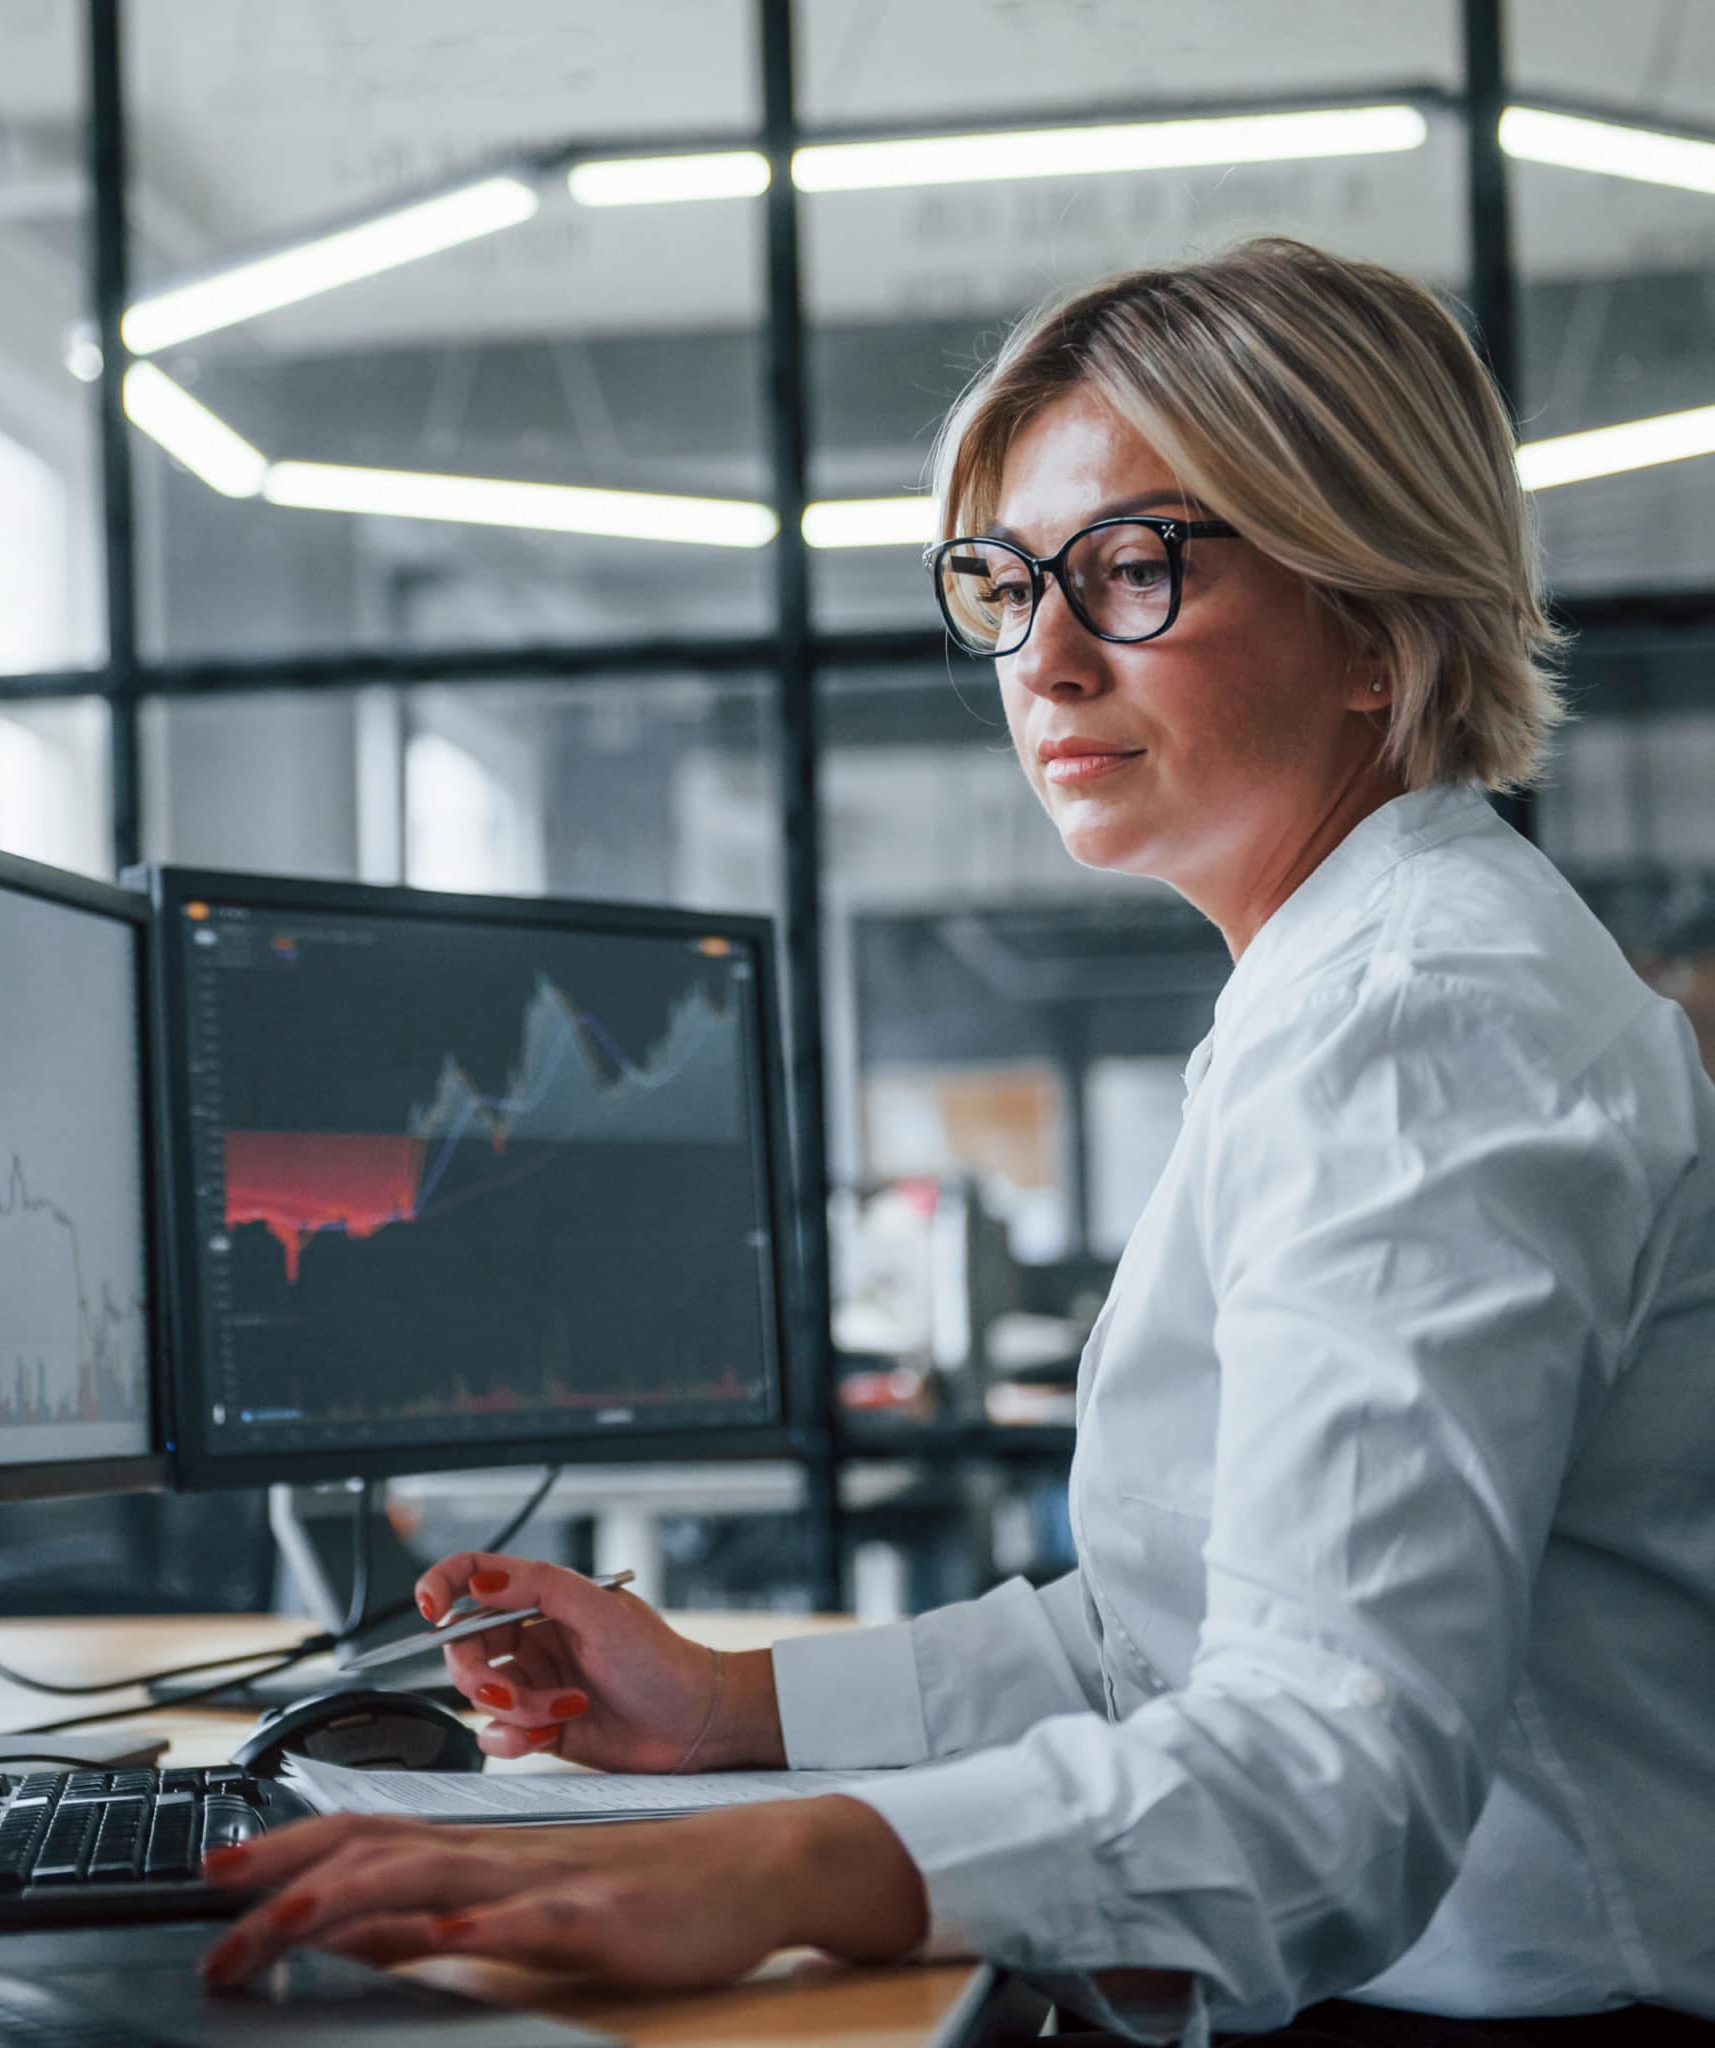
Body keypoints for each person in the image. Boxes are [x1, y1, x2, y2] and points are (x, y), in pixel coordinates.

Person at [195, 238, 1715, 2045]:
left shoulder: (1418, 1021)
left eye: (1136, 567)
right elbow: (1166, 1637)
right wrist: (734, 1715)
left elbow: (1325, 1775)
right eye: (1007, 582)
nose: (1046, 657)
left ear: (1377, 627)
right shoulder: (1349, 982)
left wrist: (774, 1866)